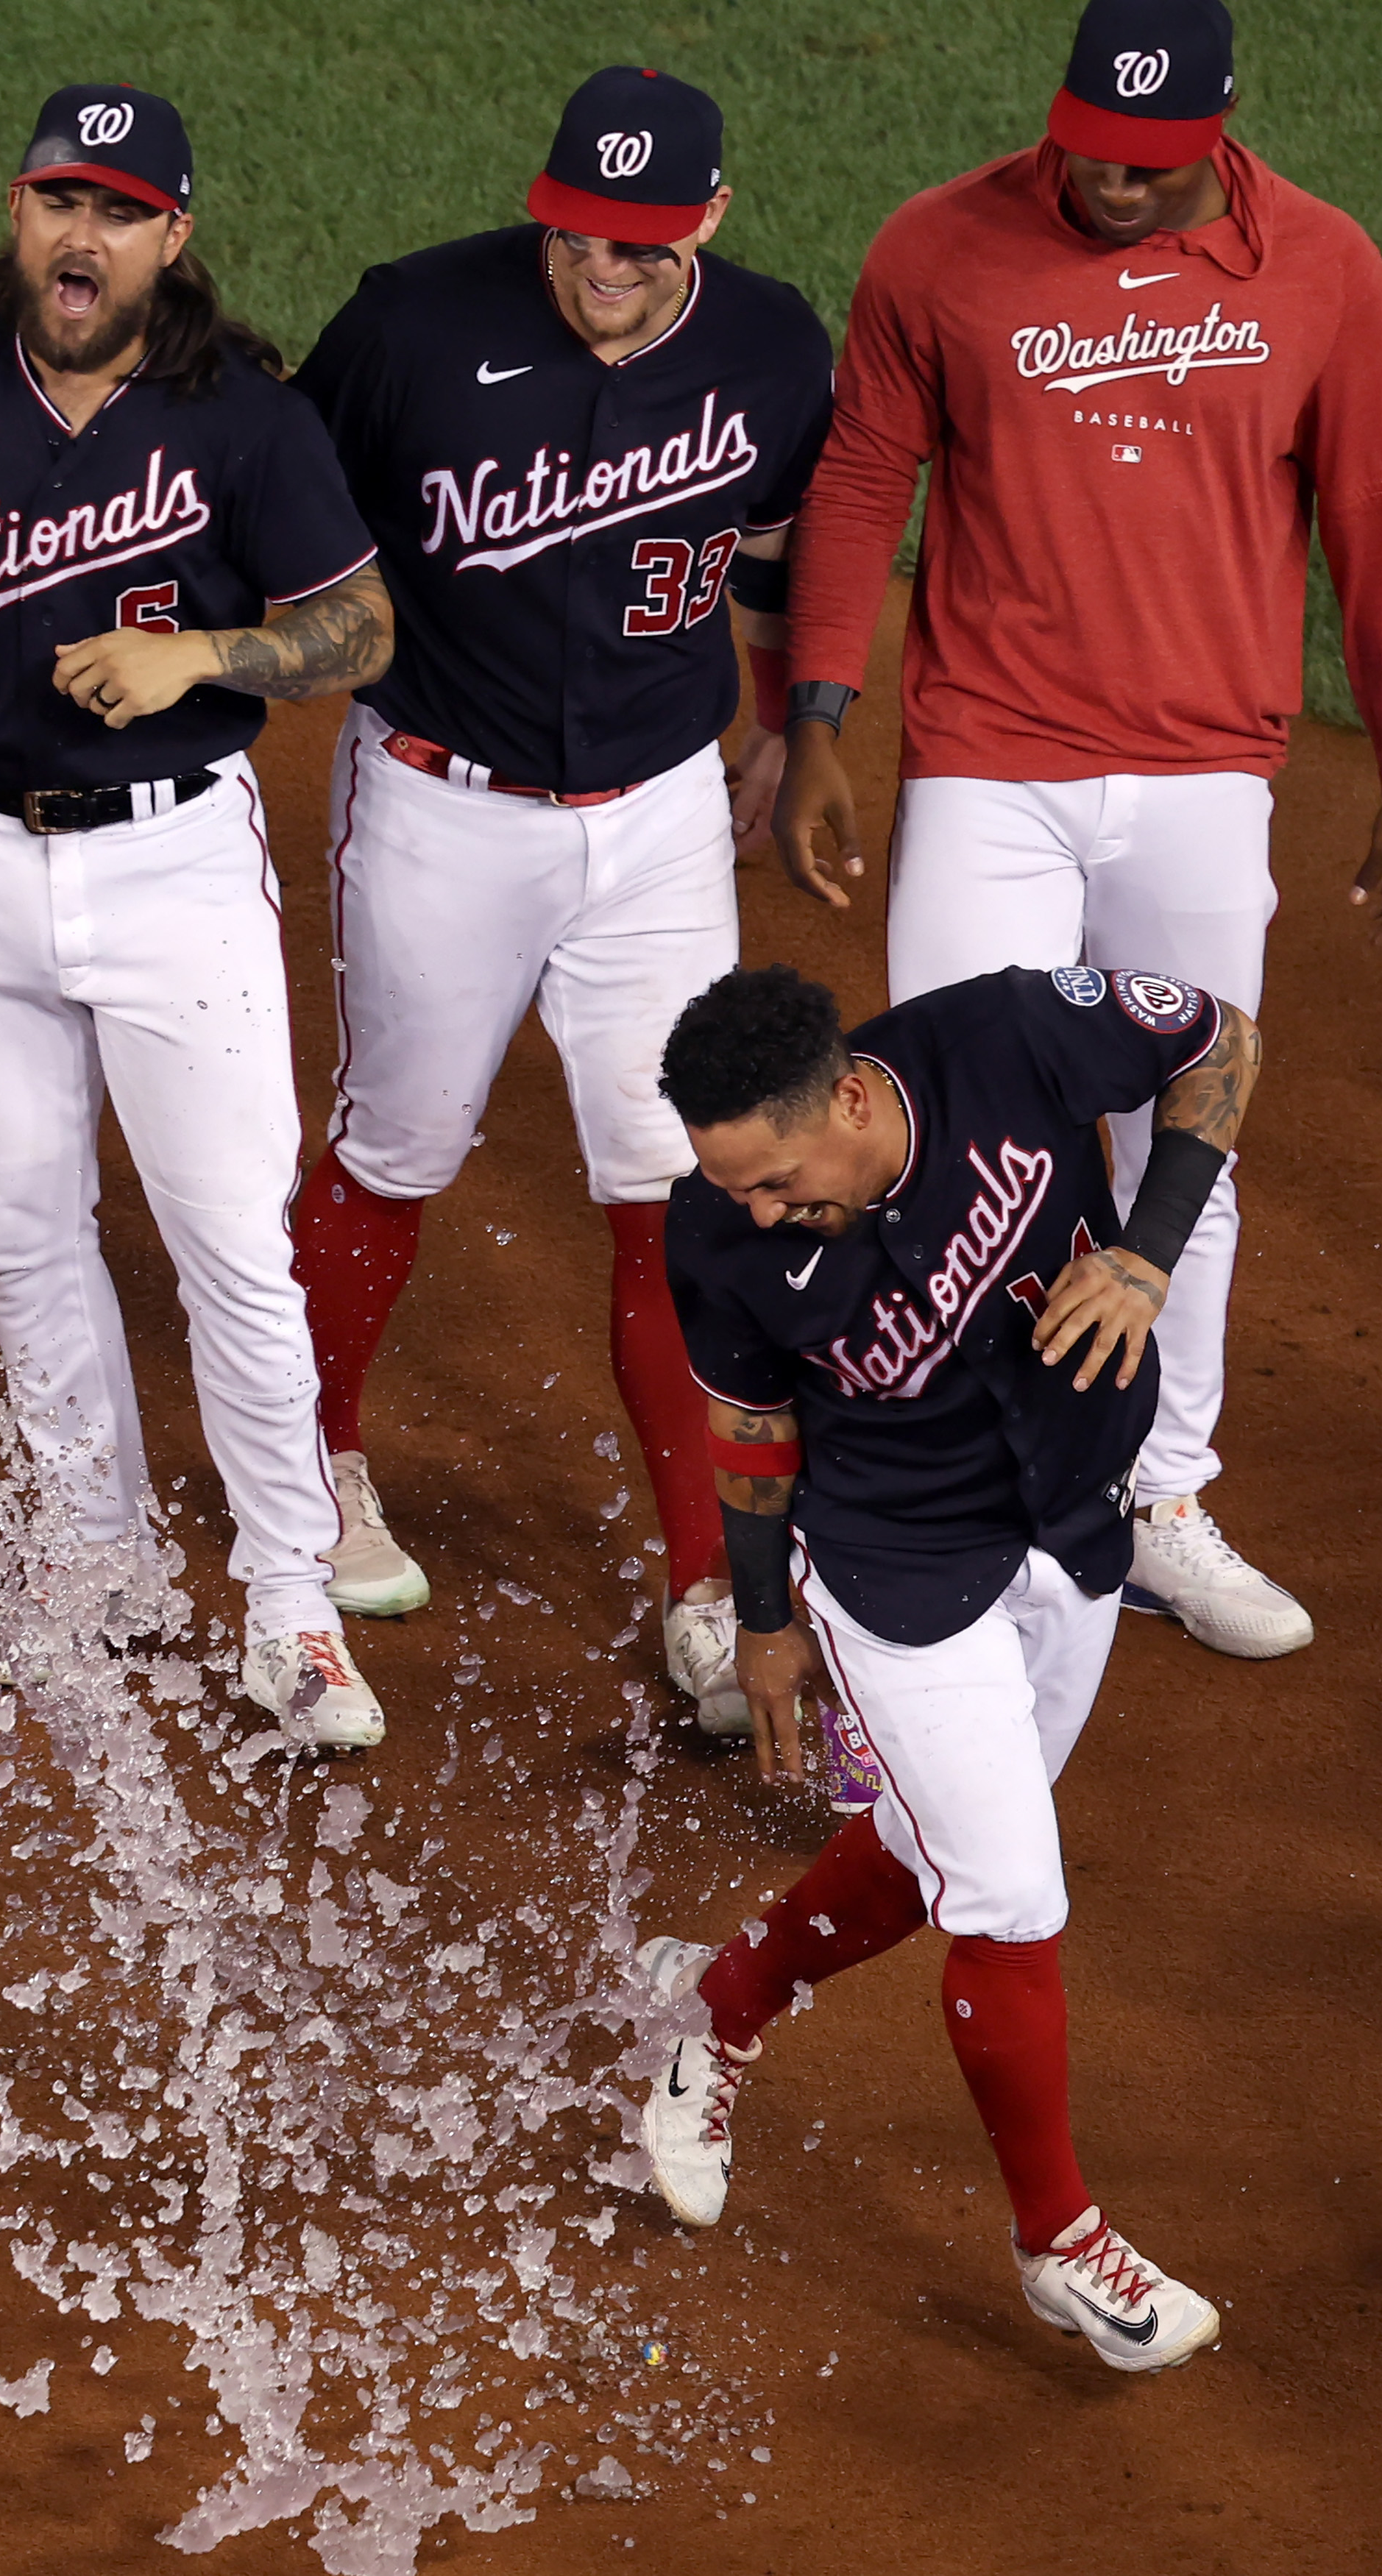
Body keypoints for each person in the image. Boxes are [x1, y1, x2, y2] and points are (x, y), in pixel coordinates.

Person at [773, 0, 1382, 1661]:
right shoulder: (940, 248)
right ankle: (941, 1493)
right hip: (988, 768)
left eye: (1153, 164)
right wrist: (816, 715)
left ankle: (1158, 1498)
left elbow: (1373, 509)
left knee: (1182, 1150)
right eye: (1091, 146)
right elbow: (864, 479)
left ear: (1220, 132)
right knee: (934, 1139)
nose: (1116, 184)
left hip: (1207, 779)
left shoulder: (1326, 268)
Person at [0, 83, 399, 1751]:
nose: (84, 234)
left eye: (121, 211)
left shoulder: (243, 419)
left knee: (231, 1255)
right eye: (62, 199)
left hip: (172, 869)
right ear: (18, 207)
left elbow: (355, 628)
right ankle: (101, 1566)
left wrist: (199, 659)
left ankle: (293, 1608)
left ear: (171, 239)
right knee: (36, 1236)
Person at [285, 67, 834, 1739]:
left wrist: (781, 725)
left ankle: (699, 1582)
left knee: (677, 1176)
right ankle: (314, 1476)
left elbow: (772, 540)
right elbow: (286, 510)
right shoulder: (408, 327)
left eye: (642, 241)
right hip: (445, 801)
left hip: (663, 816)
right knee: (397, 1147)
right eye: (580, 231)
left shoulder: (769, 346)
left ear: (710, 225)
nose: (604, 262)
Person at [638, 962, 1255, 2373]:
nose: (756, 1214)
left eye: (781, 1181)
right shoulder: (717, 1239)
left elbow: (1223, 1041)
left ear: (851, 1099)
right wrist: (766, 1622)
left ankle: (718, 2003)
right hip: (897, 1571)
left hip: (1076, 1528)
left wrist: (1148, 1249)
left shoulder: (1008, 1036)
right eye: (732, 1188)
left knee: (935, 1852)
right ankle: (1060, 2242)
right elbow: (750, 1433)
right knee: (1010, 1892)